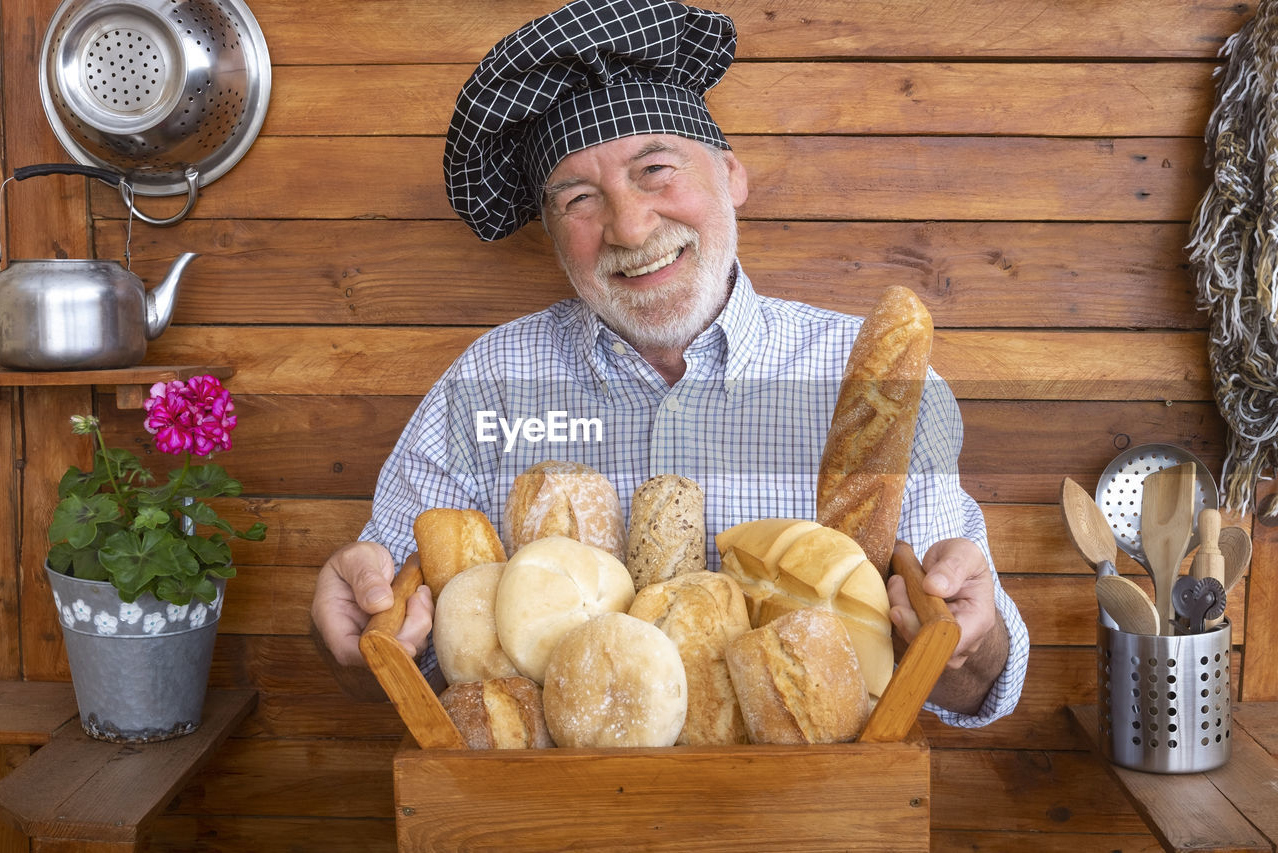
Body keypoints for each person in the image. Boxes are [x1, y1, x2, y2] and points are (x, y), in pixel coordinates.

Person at [311, 0, 1028, 724]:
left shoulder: (870, 381)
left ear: (731, 173)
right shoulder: (488, 385)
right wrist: (348, 631)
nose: (629, 225)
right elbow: (387, 661)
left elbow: (967, 686)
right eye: (581, 199)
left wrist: (974, 640)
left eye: (654, 169)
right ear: (555, 235)